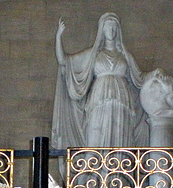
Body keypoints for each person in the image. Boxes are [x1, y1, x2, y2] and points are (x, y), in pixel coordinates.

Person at [51, 13, 150, 151]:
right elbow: (64, 61)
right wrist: (58, 37)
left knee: (120, 136)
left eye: (114, 27)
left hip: (121, 99)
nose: (111, 30)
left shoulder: (125, 56)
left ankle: (119, 172)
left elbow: (140, 78)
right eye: (108, 27)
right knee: (96, 134)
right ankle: (93, 169)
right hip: (100, 97)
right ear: (102, 30)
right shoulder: (93, 54)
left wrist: (157, 73)